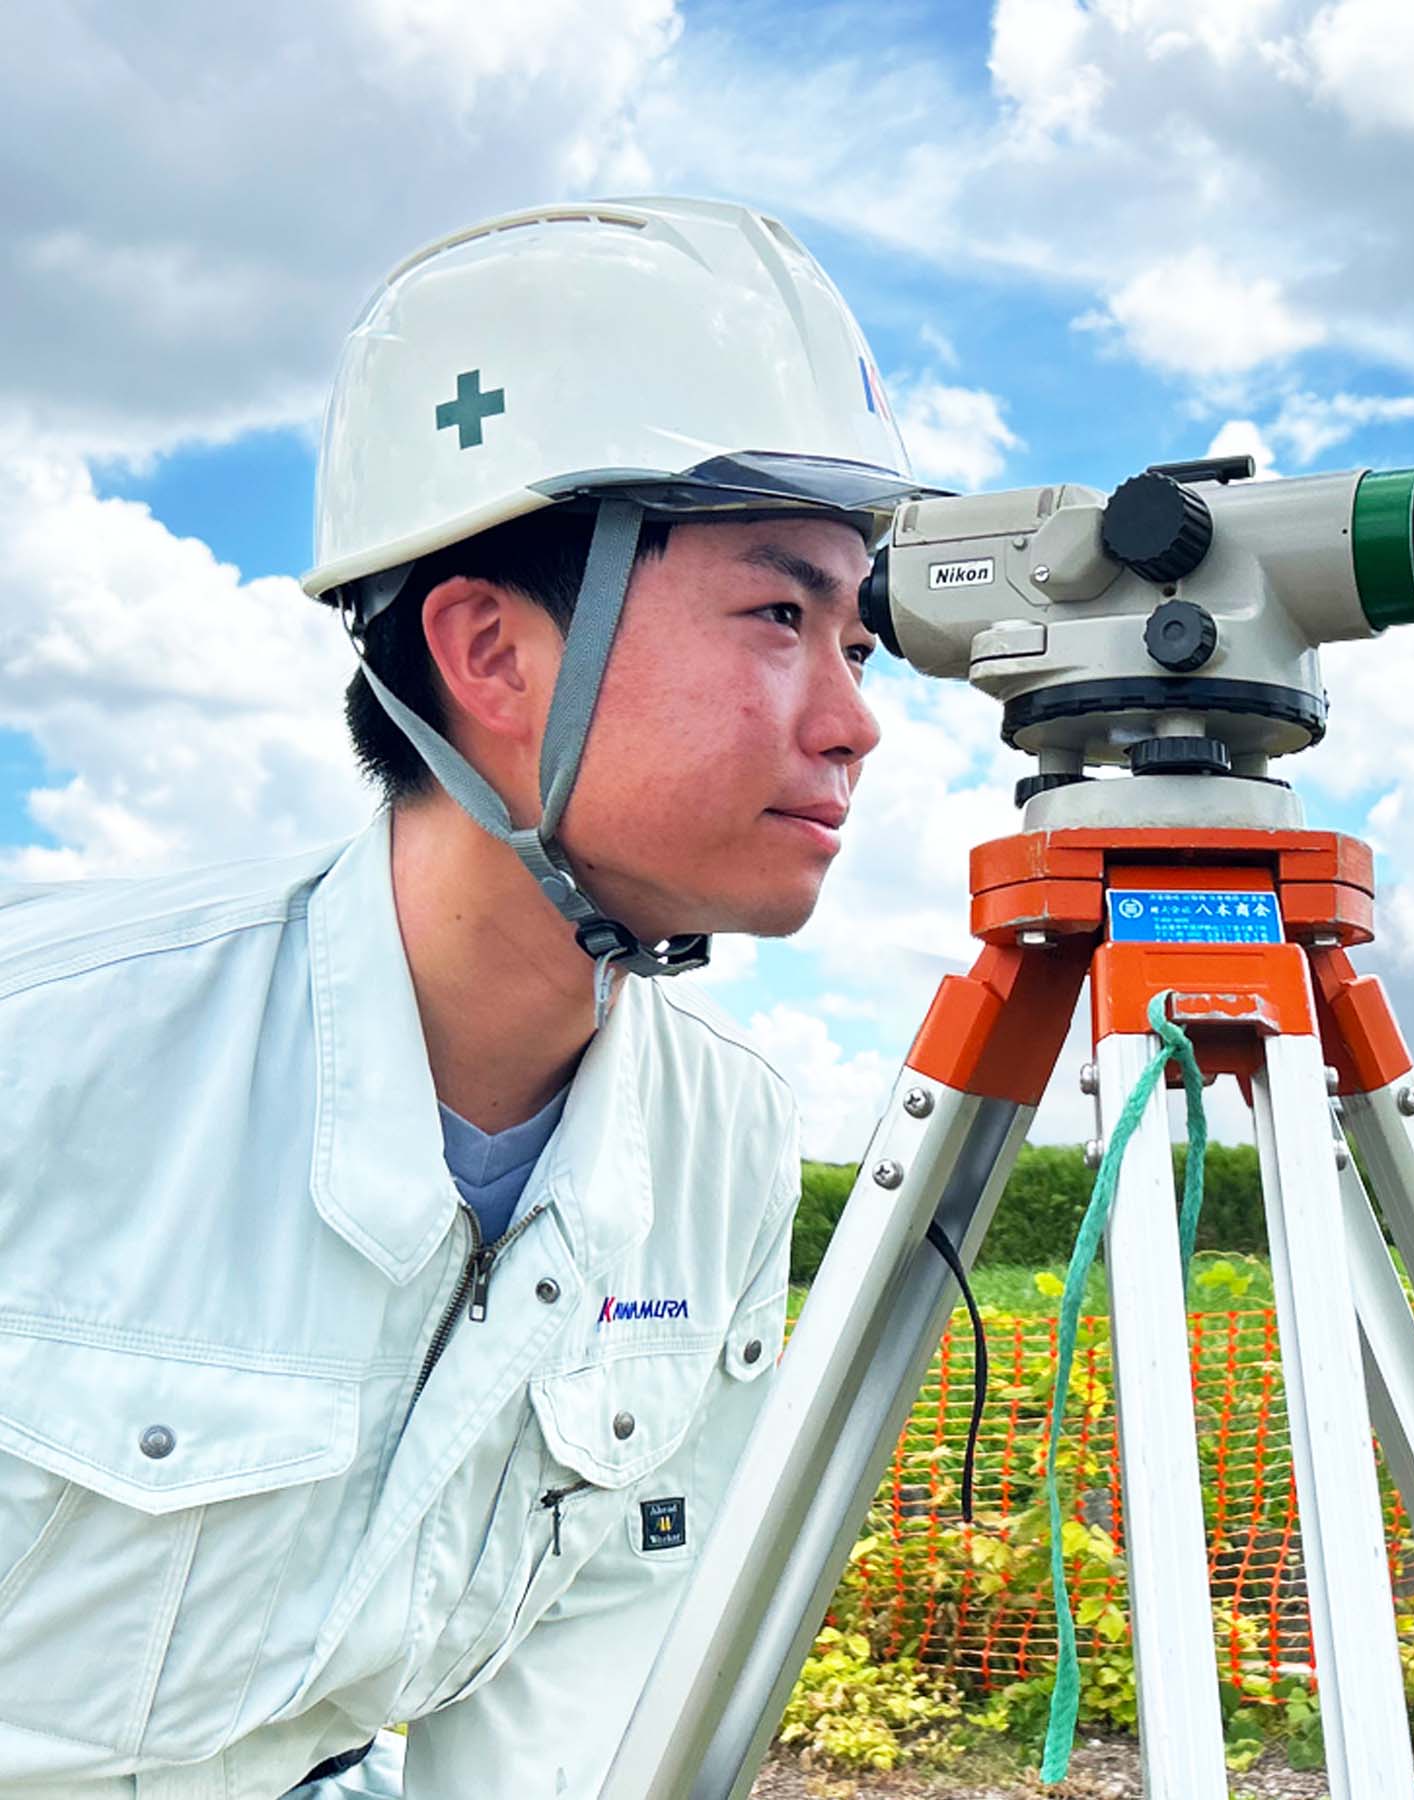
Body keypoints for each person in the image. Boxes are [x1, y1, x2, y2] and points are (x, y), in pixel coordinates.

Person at [0, 196, 920, 1796]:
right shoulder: (52, 1043)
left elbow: (583, 1695)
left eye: (859, 638)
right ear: (490, 653)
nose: (854, 721)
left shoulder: (723, 1141)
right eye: (781, 615)